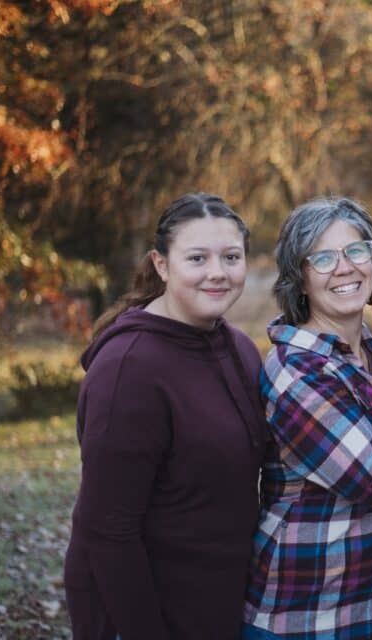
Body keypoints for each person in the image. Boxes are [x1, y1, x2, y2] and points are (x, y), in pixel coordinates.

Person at [242, 197, 372, 639]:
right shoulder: (296, 370)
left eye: (356, 251)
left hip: (368, 609)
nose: (344, 268)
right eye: (322, 258)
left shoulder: (368, 351)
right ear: (299, 280)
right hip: (305, 615)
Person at [64, 193, 265, 639]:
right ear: (161, 264)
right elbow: (108, 531)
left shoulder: (239, 349)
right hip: (140, 612)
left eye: (231, 257)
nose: (218, 272)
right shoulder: (128, 369)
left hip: (215, 604)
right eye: (197, 257)